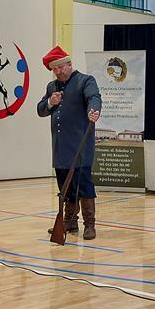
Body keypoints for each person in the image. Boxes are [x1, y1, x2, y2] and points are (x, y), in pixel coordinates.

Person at [36, 46, 102, 240]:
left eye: (60, 67)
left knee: (84, 186)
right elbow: (40, 110)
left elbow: (94, 98)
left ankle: (89, 225)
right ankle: (70, 222)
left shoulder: (85, 81)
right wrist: (51, 102)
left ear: (69, 64)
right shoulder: (52, 87)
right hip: (60, 147)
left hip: (80, 146)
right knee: (65, 187)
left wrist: (93, 110)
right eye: (54, 69)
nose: (57, 71)